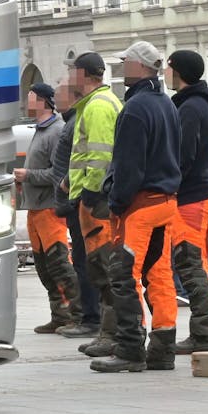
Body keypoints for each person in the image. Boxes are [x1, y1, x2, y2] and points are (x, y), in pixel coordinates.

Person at [91, 41, 182, 374]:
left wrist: (116, 202)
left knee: (123, 276)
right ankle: (163, 348)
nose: (122, 66)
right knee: (159, 276)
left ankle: (130, 348)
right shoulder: (166, 105)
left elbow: (129, 166)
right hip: (166, 203)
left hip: (140, 206)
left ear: (140, 66)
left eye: (125, 60)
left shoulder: (135, 108)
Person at [66, 52, 124, 358]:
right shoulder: (102, 103)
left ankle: (112, 334)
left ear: (84, 75)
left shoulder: (98, 107)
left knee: (104, 269)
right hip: (96, 199)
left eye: (72, 73)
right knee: (103, 269)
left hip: (96, 204)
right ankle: (109, 330)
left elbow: (100, 155)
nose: (69, 79)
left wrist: (90, 193)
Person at [166, 49, 208, 354]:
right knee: (195, 263)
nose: (165, 74)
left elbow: (183, 157)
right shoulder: (196, 105)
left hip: (191, 198)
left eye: (169, 68)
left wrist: (169, 185)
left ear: (180, 72)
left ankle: (204, 333)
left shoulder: (190, 109)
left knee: (191, 265)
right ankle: (206, 331)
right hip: (198, 195)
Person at [16, 82, 81, 334]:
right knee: (44, 267)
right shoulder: (40, 130)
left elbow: (58, 172)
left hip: (50, 209)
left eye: (30, 96)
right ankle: (59, 314)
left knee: (59, 264)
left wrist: (28, 175)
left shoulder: (56, 131)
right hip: (35, 209)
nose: (26, 100)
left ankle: (75, 313)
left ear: (42, 101)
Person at [53, 79, 101, 339]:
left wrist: (69, 182)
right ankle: (88, 316)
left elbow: (83, 158)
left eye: (58, 92)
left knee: (85, 262)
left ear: (71, 96)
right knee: (83, 261)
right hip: (74, 201)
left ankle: (91, 317)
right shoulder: (72, 121)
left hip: (79, 201)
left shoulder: (74, 123)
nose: (54, 97)